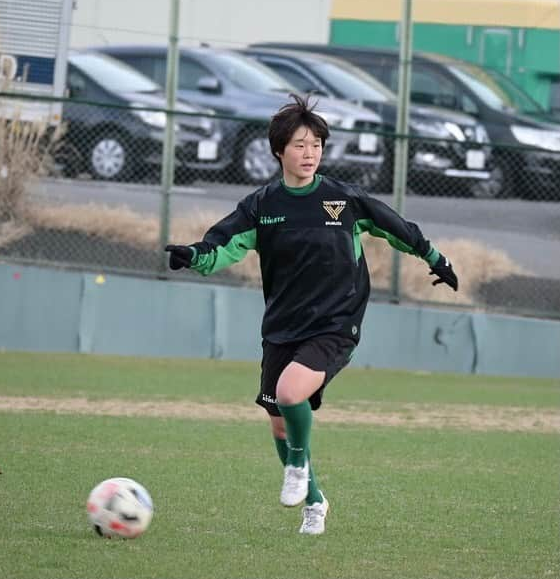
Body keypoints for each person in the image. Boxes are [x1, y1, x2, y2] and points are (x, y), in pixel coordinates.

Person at [165, 94, 458, 535]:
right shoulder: (262, 206)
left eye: (317, 144)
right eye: (300, 145)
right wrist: (192, 256)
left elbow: (396, 227)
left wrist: (436, 258)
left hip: (337, 322)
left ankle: (299, 468)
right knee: (281, 426)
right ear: (279, 150)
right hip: (283, 325)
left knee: (289, 392)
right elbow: (222, 243)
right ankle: (316, 503)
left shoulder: (343, 199)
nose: (310, 153)